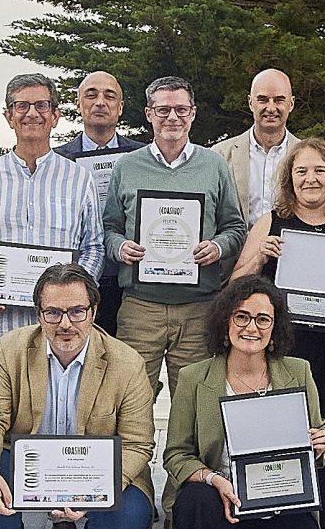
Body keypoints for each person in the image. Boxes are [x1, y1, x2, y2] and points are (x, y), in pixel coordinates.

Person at [0, 264, 159, 529]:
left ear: (94, 311)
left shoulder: (126, 363)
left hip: (95, 472)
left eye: (76, 311)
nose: (65, 323)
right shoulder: (10, 349)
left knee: (131, 517)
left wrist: (96, 493)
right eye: (53, 312)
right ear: (38, 313)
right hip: (30, 464)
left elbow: (138, 444)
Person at [165, 274, 325, 529]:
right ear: (225, 321)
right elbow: (176, 454)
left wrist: (320, 444)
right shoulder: (194, 378)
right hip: (220, 499)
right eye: (241, 316)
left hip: (278, 499)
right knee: (193, 502)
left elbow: (318, 436)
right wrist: (214, 479)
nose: (251, 327)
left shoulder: (298, 372)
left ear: (275, 327)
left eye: (263, 319)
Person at [235, 137, 325, 529]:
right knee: (281, 441)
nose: (311, 179)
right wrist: (260, 258)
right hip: (283, 353)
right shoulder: (270, 223)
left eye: (319, 170)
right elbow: (234, 287)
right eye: (301, 171)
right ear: (289, 179)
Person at [0, 72, 105, 392]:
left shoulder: (79, 179)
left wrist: (74, 294)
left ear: (55, 115)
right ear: (9, 116)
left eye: (41, 105)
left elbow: (94, 246)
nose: (31, 113)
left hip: (61, 330)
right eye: (21, 106)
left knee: (60, 414)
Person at [101, 76, 248, 402]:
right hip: (140, 308)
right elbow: (108, 229)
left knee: (194, 404)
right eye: (163, 110)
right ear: (149, 114)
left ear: (192, 113)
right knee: (130, 401)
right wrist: (120, 247)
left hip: (198, 309)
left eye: (181, 109)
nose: (172, 117)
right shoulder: (127, 166)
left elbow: (236, 228)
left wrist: (218, 247)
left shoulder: (214, 165)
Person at [56, 70, 144, 334]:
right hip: (74, 281)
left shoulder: (143, 157)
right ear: (78, 104)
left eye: (109, 96)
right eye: (91, 95)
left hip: (130, 281)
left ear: (121, 107)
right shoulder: (58, 161)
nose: (100, 102)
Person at [208, 67, 300, 222]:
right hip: (238, 238)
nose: (271, 108)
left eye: (279, 100)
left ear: (291, 104)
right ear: (251, 103)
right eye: (263, 99)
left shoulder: (307, 156)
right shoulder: (220, 155)